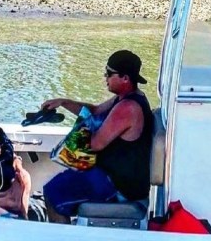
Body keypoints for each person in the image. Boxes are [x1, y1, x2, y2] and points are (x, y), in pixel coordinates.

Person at [41, 50, 153, 223]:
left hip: (119, 186)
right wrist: (63, 102)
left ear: (125, 78)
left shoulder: (128, 108)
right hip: (111, 174)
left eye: (109, 73)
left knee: (51, 193)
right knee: (59, 184)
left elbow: (95, 144)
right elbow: (94, 111)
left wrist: (82, 126)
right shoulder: (125, 98)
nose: (105, 77)